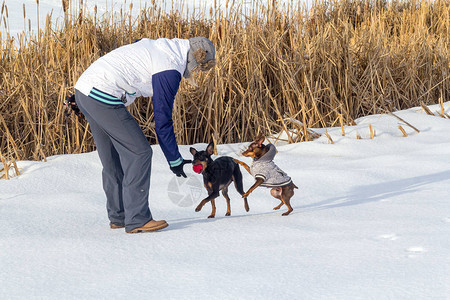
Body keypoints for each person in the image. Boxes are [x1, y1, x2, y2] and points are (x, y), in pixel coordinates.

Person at [74, 37, 216, 233]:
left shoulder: (164, 47)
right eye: (200, 67)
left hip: (84, 91)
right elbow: (163, 120)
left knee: (113, 155)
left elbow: (133, 48)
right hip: (102, 95)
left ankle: (119, 216)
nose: (197, 72)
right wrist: (174, 159)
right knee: (139, 153)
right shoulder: (170, 68)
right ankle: (137, 218)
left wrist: (82, 99)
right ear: (195, 57)